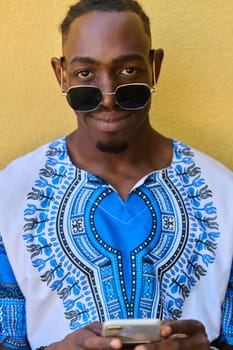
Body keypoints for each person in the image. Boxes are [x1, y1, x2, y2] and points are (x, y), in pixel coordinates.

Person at [0, 0, 232, 349]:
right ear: (60, 75)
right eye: (85, 74)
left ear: (154, 67)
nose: (108, 97)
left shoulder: (224, 192)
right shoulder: (9, 194)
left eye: (127, 71)